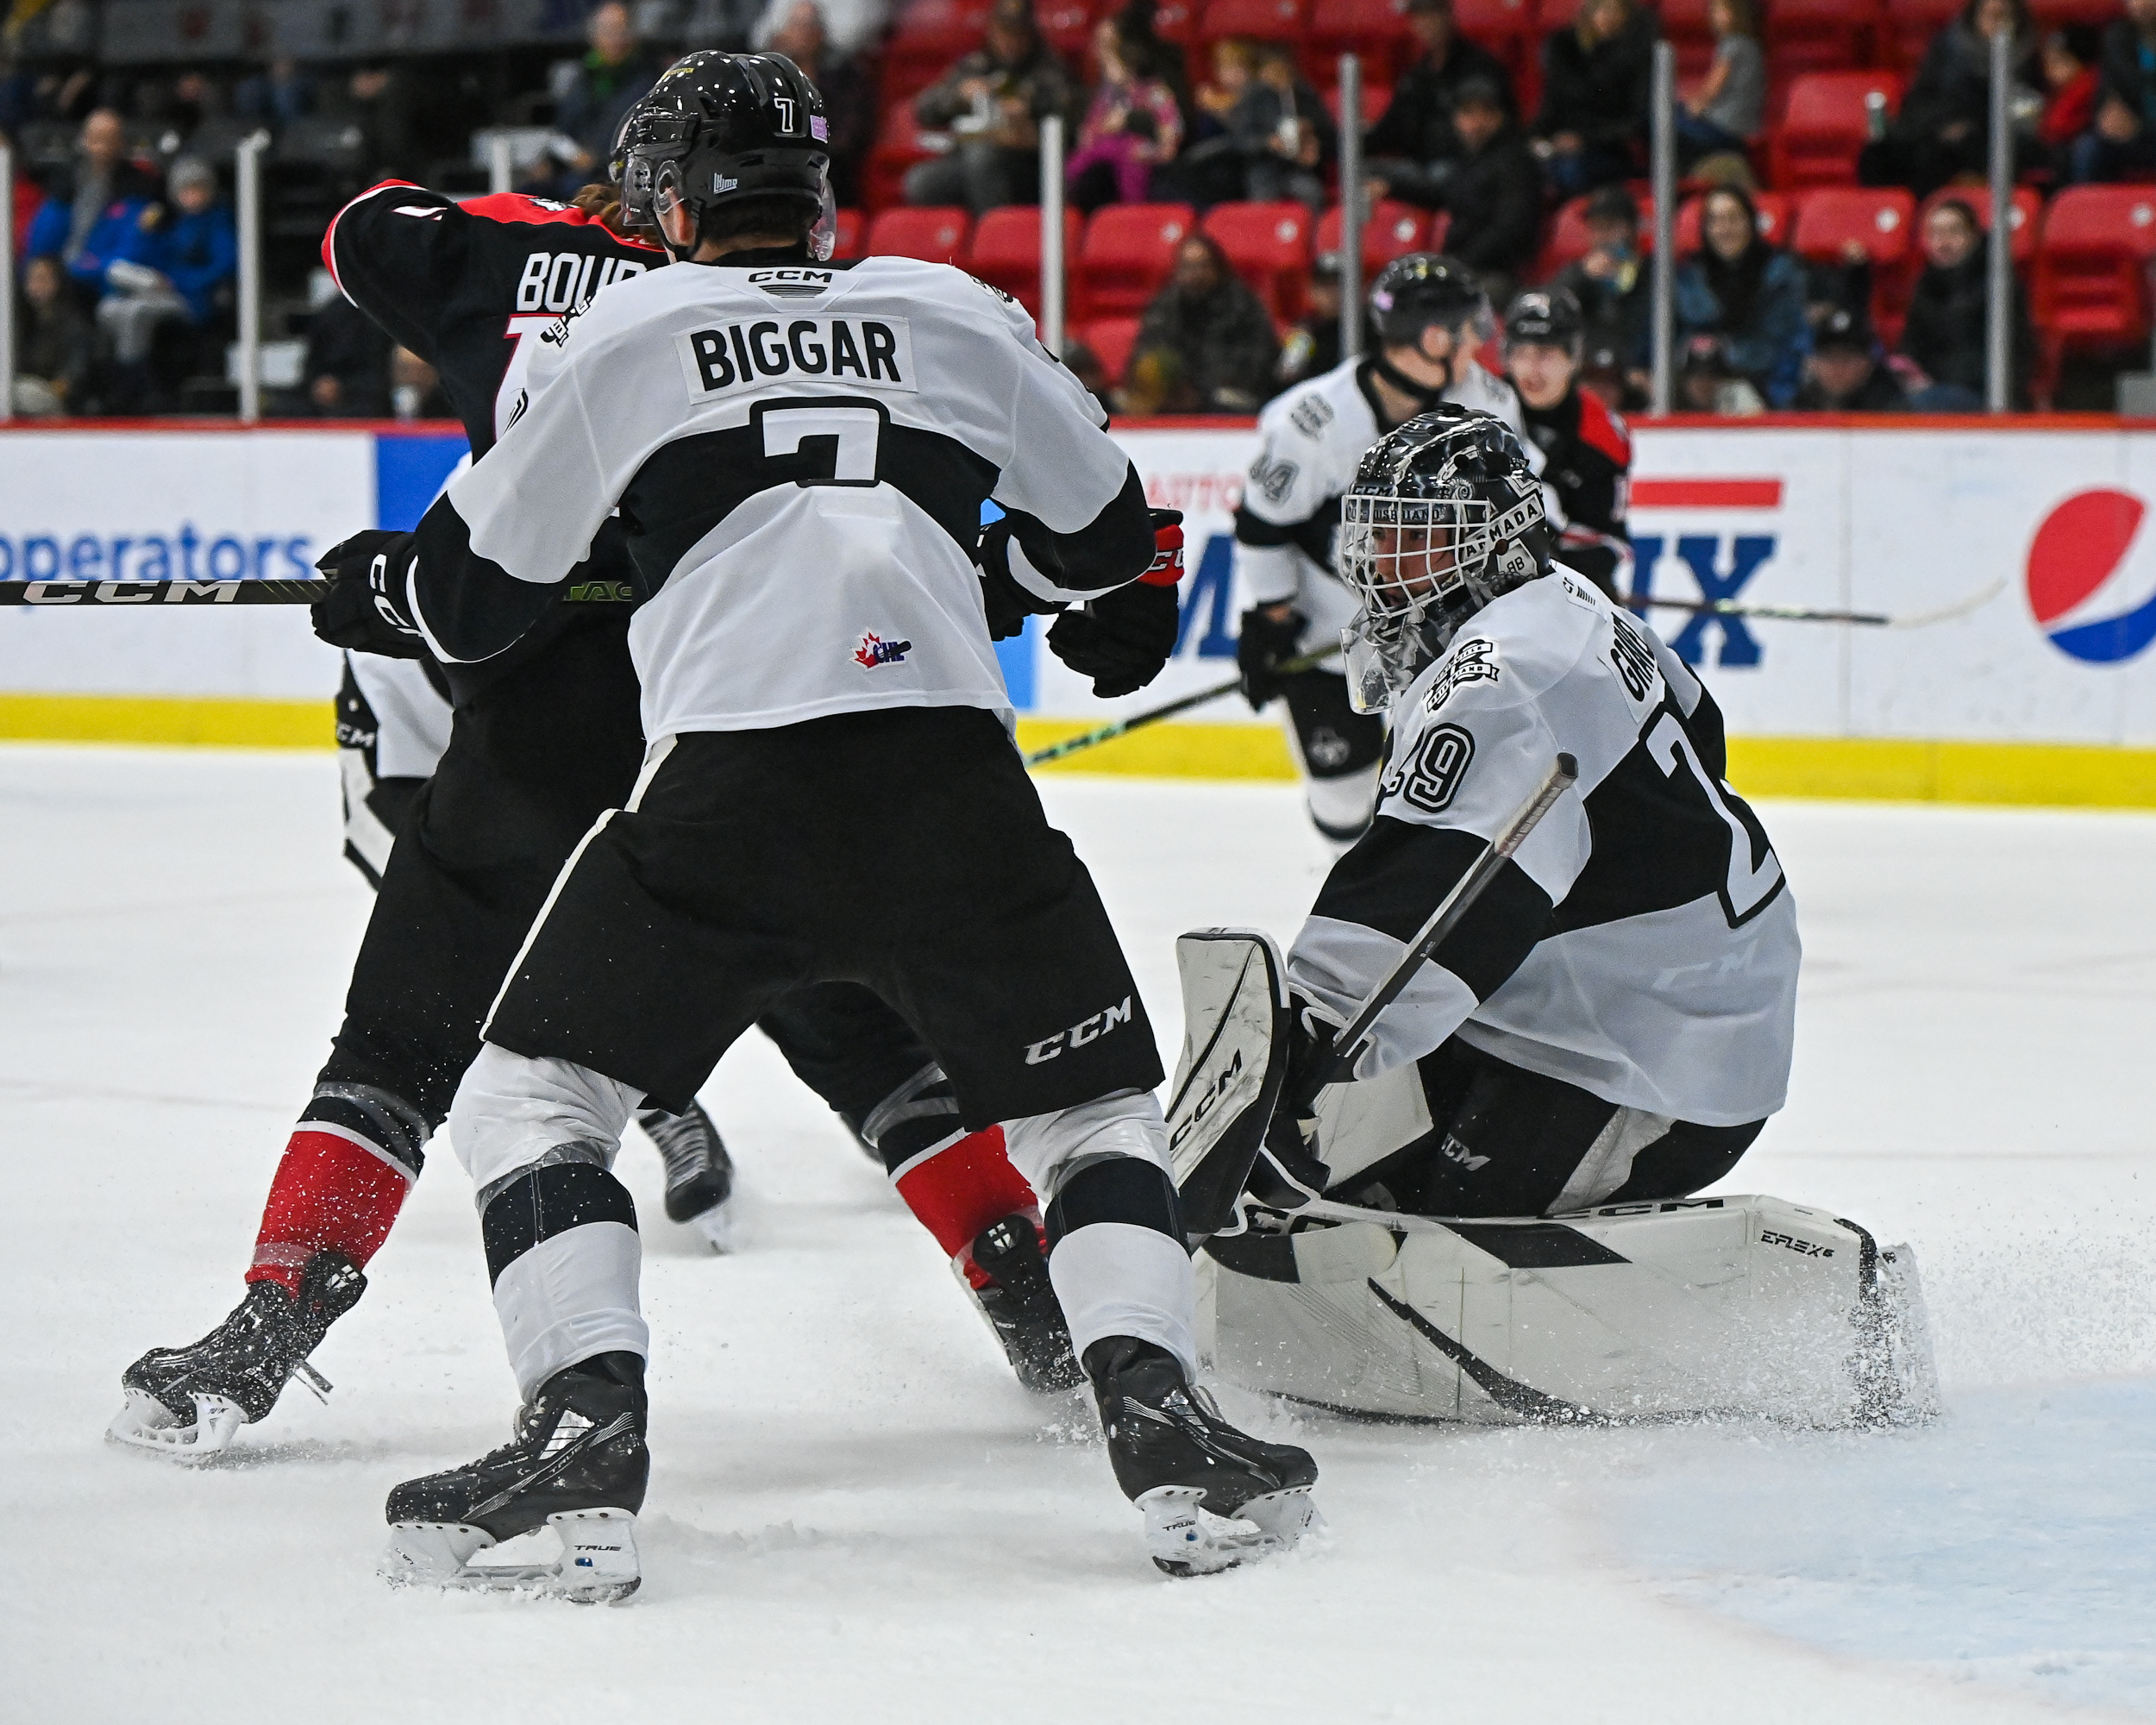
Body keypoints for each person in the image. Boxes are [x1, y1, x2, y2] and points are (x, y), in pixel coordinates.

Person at [354, 51, 1317, 1595]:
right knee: (1090, 1111)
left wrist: (385, 585)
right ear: (814, 194)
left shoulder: (623, 330)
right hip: (953, 781)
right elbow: (1108, 545)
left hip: (730, 794)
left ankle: (581, 1427)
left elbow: (472, 606)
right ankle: (1163, 1416)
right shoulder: (951, 309)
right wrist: (1010, 576)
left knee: (534, 1099)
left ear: (675, 200)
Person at [108, 67, 1093, 1465]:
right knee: (859, 1029)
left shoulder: (521, 260)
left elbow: (361, 230)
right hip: (742, 710)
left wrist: (554, 235)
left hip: (539, 727)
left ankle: (273, 1321)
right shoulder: (831, 306)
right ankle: (1027, 1283)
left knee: (404, 1040)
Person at [1206, 408, 1798, 1419]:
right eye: (1376, 533)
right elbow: (1702, 730)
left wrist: (1301, 1045)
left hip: (1651, 1050)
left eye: (1414, 537)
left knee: (1439, 1241)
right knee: (1362, 1177)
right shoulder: (1570, 603)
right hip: (1621, 991)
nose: (1380, 562)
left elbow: (1428, 895)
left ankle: (1735, 1319)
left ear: (1490, 542)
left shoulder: (1503, 673)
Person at [1234, 254, 1553, 849]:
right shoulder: (1313, 422)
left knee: (1457, 788)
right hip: (1331, 635)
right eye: (1467, 330)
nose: (1477, 343)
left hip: (1446, 638)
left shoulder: (1486, 403)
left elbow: (1521, 504)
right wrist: (1271, 620)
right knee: (1343, 799)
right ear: (1433, 338)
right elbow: (1262, 525)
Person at [1504, 289, 1632, 600]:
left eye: (1545, 354)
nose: (1530, 369)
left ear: (1573, 358)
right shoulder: (1483, 407)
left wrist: (1552, 546)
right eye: (1521, 354)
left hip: (1566, 587)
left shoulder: (1600, 434)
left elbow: (1608, 544)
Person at [1381, 78, 1541, 310]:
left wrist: (1460, 264)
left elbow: (1511, 229)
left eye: (1486, 112)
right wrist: (1391, 186)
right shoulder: (1470, 161)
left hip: (1498, 273)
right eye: (1468, 113)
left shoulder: (1516, 164)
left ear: (1500, 117)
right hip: (1462, 267)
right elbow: (1442, 193)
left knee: (1442, 305)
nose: (1477, 122)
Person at [906, 0, 1075, 214]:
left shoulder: (1049, 69)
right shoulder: (975, 66)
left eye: (1018, 33)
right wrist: (959, 96)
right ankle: (957, 233)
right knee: (922, 181)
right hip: (969, 157)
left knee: (982, 157)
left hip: (1027, 165)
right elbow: (925, 109)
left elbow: (1069, 120)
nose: (1010, 41)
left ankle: (996, 228)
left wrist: (1027, 113)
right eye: (1004, 32)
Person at [97, 155, 236, 408]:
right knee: (111, 307)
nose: (192, 196)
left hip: (195, 298)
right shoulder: (173, 222)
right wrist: (143, 232)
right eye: (186, 190)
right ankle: (119, 377)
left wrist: (178, 282)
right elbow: (148, 259)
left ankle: (135, 386)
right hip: (162, 289)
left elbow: (224, 264)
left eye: (198, 189)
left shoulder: (217, 221)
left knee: (138, 312)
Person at [1868, 0, 2039, 198]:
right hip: (1937, 128)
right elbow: (1922, 98)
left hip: (1990, 137)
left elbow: (2026, 111)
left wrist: (1970, 127)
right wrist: (1942, 125)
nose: (1995, 23)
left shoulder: (2025, 55)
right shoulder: (1948, 46)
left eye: (2001, 16)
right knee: (1880, 153)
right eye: (1989, 15)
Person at [1674, 184, 1808, 409]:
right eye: (1715, 221)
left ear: (1750, 222)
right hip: (1697, 390)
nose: (1725, 229)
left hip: (1764, 387)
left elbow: (1786, 342)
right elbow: (1676, 340)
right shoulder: (1688, 277)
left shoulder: (1780, 274)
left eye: (1733, 219)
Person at [1118, 231, 1279, 415]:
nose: (1194, 274)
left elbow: (1257, 363)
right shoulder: (1166, 306)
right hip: (1174, 397)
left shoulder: (1242, 306)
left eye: (1201, 266)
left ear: (1217, 268)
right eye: (1187, 267)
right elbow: (1147, 350)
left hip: (1228, 396)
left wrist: (1202, 391)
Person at [1363, 0, 1519, 189]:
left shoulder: (1481, 68)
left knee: (1442, 174)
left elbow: (1503, 128)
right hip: (1419, 167)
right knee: (1359, 171)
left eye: (1431, 14)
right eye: (1418, 17)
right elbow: (1389, 130)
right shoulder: (1416, 77)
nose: (1425, 23)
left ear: (1447, 14)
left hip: (1466, 169)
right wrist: (1350, 143)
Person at [1896, 197, 2028, 409]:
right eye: (1935, 234)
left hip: (1983, 393)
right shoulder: (1926, 284)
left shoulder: (1998, 283)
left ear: (1973, 236)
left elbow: (2012, 354)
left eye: (1953, 232)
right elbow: (1912, 344)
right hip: (1932, 389)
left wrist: (1938, 381)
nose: (1943, 243)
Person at [22, 108, 161, 298]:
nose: (101, 148)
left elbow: (133, 243)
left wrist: (92, 266)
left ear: (121, 143)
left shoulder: (138, 188)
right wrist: (45, 265)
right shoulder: (65, 184)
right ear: (84, 140)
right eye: (96, 139)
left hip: (105, 275)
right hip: (64, 271)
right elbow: (43, 238)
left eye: (108, 140)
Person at [1530, 0, 1655, 197]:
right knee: (1519, 161)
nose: (1608, 17)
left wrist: (1585, 140)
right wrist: (1536, 137)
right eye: (1602, 9)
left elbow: (1637, 120)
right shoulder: (1565, 52)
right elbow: (1551, 106)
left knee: (1570, 169)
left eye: (1615, 10)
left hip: (1611, 150)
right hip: (1565, 145)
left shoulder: (1637, 56)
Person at [1064, 11, 1183, 213]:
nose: (1104, 57)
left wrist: (1156, 144)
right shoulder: (1103, 96)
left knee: (1132, 163)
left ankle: (1132, 215)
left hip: (1140, 156)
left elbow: (1171, 128)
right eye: (1101, 47)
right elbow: (1088, 135)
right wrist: (1102, 128)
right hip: (1103, 158)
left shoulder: (1153, 91)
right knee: (1076, 168)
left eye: (1112, 48)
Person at [760, 1, 874, 206]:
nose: (802, 32)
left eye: (809, 25)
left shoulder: (845, 74)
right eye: (796, 24)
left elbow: (850, 133)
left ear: (821, 33)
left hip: (831, 163)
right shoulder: (771, 75)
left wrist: (812, 152)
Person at [546, 3, 664, 196]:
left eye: (621, 31)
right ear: (594, 37)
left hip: (619, 175)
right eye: (608, 30)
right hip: (573, 171)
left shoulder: (647, 79)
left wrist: (597, 161)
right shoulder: (584, 76)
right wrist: (553, 161)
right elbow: (563, 130)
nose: (616, 38)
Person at [1551, 184, 1651, 394]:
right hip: (1588, 374)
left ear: (1632, 228)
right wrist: (1582, 276)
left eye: (1611, 227)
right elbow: (1550, 307)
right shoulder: (1576, 274)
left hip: (1637, 376)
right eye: (1596, 228)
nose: (1602, 236)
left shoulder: (1653, 274)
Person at [2071, 0, 2156, 182]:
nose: (2142, 4)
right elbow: (2109, 87)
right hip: (2134, 132)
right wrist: (2108, 115)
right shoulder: (2117, 37)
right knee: (2089, 149)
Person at [1676, 0, 1764, 171]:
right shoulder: (1752, 46)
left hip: (1725, 128)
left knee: (1668, 117)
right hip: (1744, 127)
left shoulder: (1732, 45)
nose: (1714, 17)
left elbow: (1712, 90)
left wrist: (1694, 106)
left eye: (1720, 11)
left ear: (1736, 14)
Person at [12, 252, 97, 416]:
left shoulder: (75, 326)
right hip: (22, 396)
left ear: (58, 282)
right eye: (31, 279)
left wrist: (45, 391)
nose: (35, 286)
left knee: (24, 393)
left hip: (59, 406)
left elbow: (71, 379)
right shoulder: (21, 323)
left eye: (42, 279)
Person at [1794, 306, 1908, 411]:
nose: (1838, 368)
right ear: (1814, 362)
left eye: (1847, 359)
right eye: (1830, 358)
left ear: (1869, 363)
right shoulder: (1801, 404)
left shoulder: (1891, 409)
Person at [1275, 248, 1344, 391]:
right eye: (1324, 286)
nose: (1332, 294)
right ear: (1312, 290)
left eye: (1338, 285)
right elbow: (1284, 379)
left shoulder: (1367, 329)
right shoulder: (1305, 330)